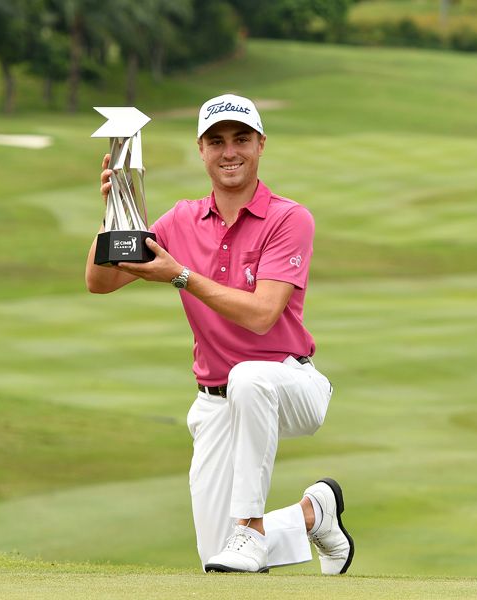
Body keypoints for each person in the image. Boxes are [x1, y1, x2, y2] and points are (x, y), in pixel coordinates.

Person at [85, 93, 353, 575]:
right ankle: (314, 514)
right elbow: (101, 281)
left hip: (289, 385)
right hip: (215, 403)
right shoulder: (180, 221)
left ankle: (250, 527)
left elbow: (261, 316)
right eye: (217, 141)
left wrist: (180, 276)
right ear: (201, 150)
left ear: (261, 145)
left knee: (250, 377)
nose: (230, 151)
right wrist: (115, 209)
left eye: (241, 139)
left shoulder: (289, 218)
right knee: (217, 559)